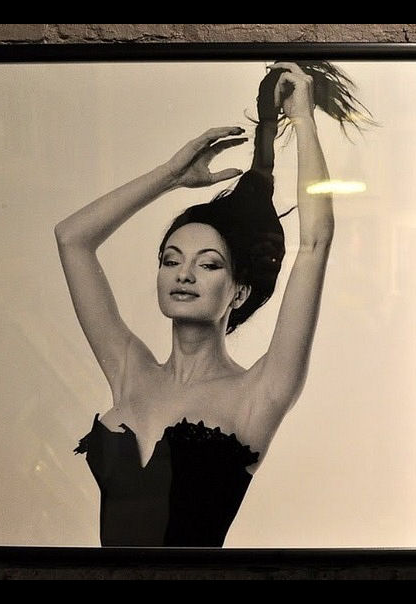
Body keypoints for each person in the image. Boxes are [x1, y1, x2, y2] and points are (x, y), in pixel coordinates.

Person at [55, 61, 371, 547]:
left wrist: (303, 121)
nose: (183, 274)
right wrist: (170, 176)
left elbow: (314, 245)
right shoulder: (129, 370)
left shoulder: (259, 392)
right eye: (171, 260)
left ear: (238, 292)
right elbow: (72, 239)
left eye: (208, 264)